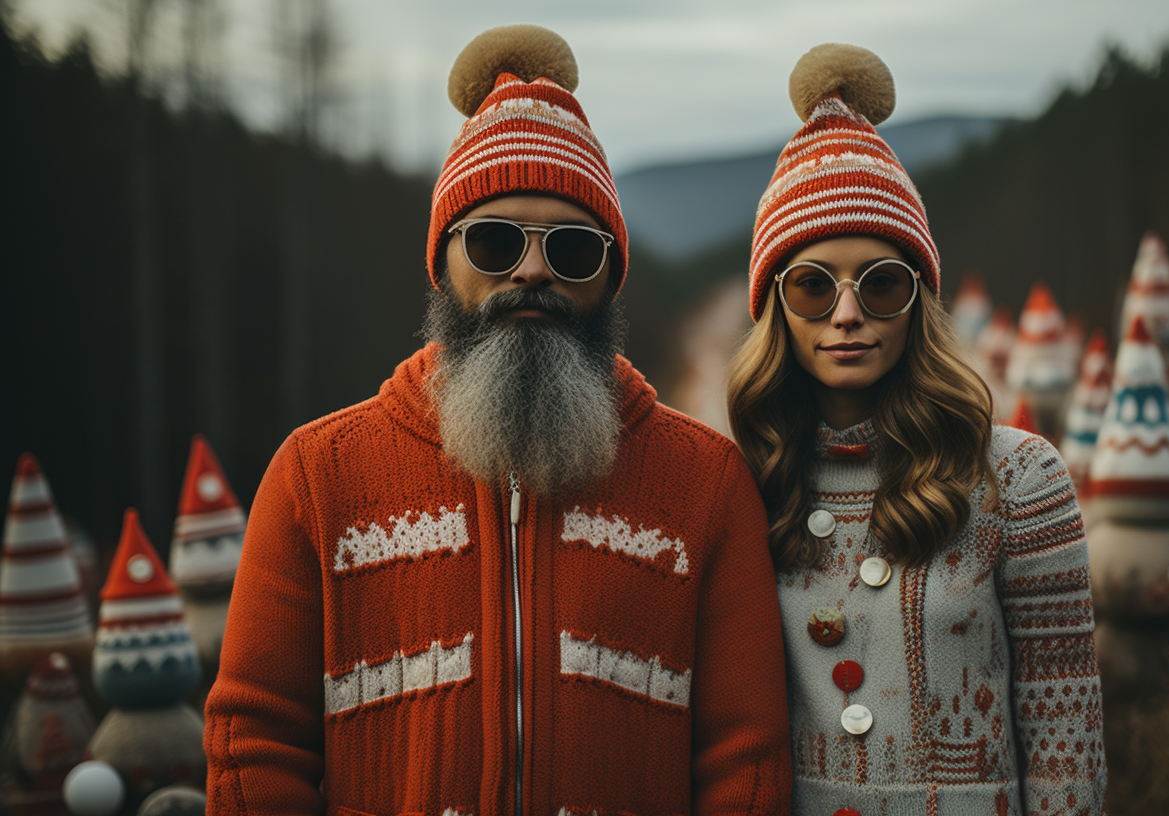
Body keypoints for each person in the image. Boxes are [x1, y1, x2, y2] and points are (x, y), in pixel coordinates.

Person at [204, 25, 792, 816]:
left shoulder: (706, 482)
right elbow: (256, 746)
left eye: (574, 251)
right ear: (441, 264)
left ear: (611, 279)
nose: (531, 270)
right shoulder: (318, 476)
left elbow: (744, 763)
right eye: (492, 240)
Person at [725, 44, 1106, 815]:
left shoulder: (1019, 481)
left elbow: (1069, 746)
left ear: (918, 298)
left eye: (882, 280)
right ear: (775, 307)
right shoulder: (742, 485)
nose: (846, 312)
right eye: (810, 284)